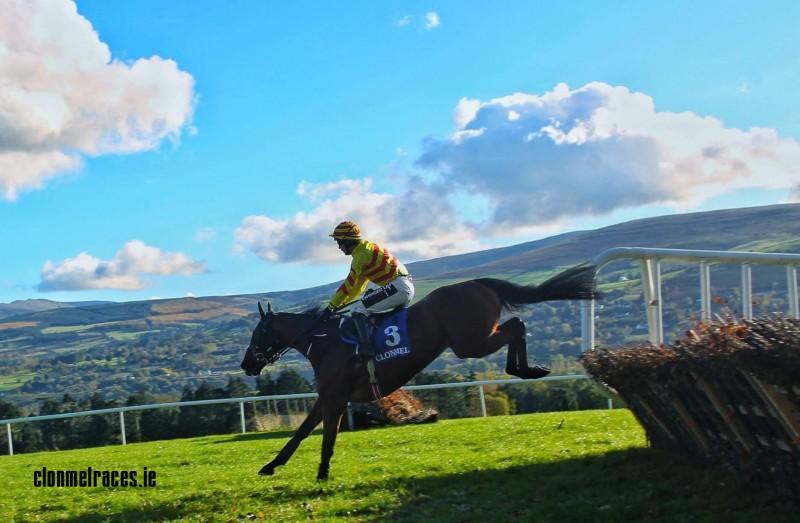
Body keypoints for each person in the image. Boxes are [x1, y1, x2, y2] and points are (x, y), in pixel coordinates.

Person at [321, 220, 414, 364]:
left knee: (358, 309)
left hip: (398, 287)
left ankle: (366, 348)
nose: (339, 246)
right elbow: (358, 287)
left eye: (339, 241)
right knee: (365, 301)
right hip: (402, 286)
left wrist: (331, 307)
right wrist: (337, 305)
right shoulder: (366, 249)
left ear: (348, 240)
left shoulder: (360, 256)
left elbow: (349, 285)